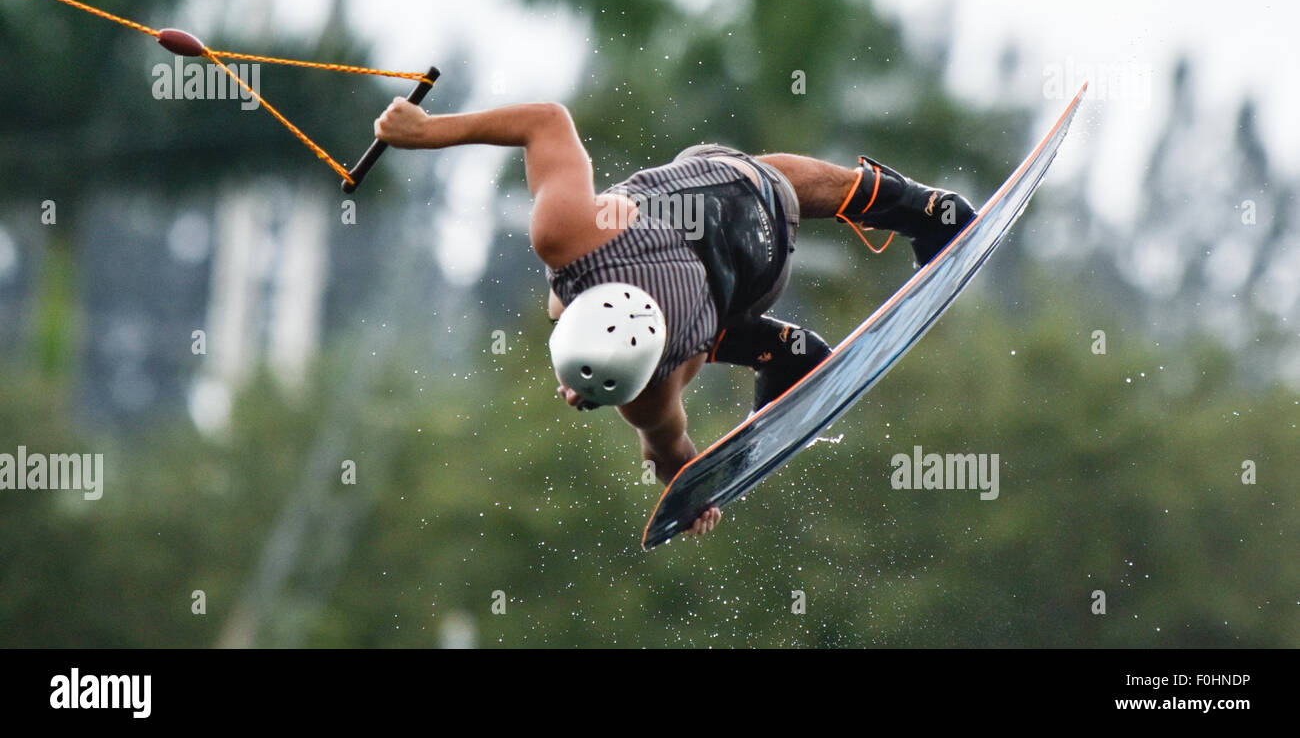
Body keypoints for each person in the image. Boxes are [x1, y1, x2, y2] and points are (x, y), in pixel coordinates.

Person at [374, 99, 974, 539]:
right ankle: (923, 209)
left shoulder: (654, 392)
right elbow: (546, 121)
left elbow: (673, 455)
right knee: (753, 179)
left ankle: (785, 351)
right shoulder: (569, 235)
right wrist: (428, 132)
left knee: (703, 336)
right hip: (730, 188)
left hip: (756, 274)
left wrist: (690, 494)